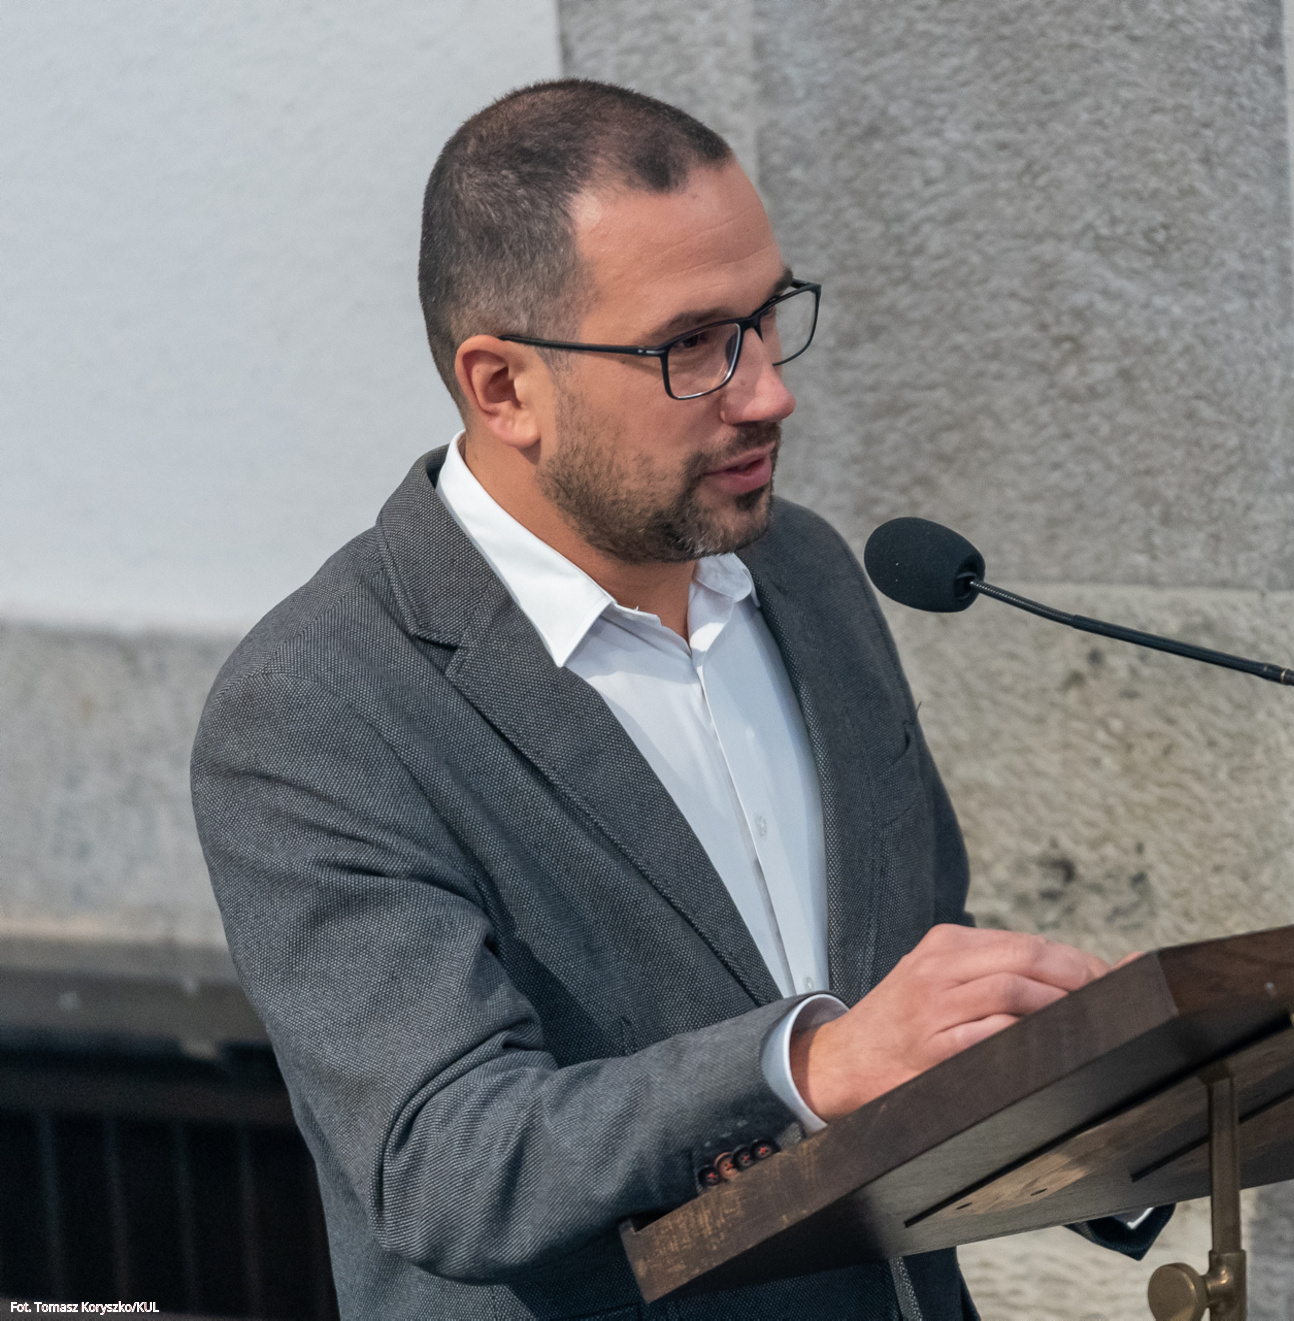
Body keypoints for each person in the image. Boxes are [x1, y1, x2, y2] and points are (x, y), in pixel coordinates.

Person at [190, 79, 1169, 1320]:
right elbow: (450, 1162)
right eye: (692, 346)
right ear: (503, 388)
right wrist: (805, 1063)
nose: (767, 391)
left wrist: (1104, 1084)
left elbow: (906, 1002)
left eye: (766, 319)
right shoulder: (316, 707)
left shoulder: (809, 572)